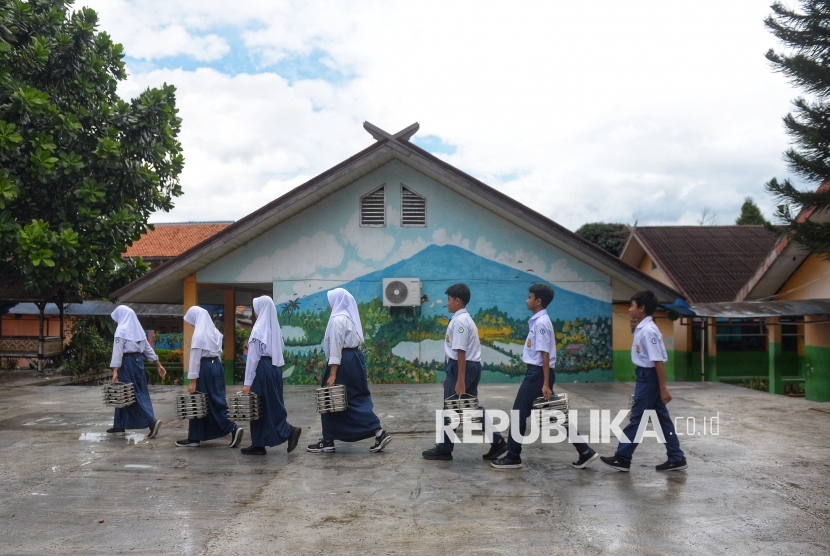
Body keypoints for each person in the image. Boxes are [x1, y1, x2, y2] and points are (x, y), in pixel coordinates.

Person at [491, 283, 598, 470]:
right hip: (537, 373)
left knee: (518, 414)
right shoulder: (539, 321)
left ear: (538, 301)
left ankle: (513, 457)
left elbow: (544, 354)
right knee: (555, 413)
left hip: (539, 374)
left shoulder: (541, 323)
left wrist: (545, 383)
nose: (527, 300)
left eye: (530, 297)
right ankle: (585, 451)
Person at [600, 290, 687, 472]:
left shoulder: (648, 331)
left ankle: (622, 458)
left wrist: (663, 387)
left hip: (649, 377)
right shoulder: (643, 328)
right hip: (645, 375)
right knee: (661, 418)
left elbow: (657, 361)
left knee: (638, 417)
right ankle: (676, 457)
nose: (629, 309)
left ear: (642, 308)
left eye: (632, 306)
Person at [422, 283, 507, 462]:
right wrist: (450, 375)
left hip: (463, 367)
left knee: (451, 408)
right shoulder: (464, 319)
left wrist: (459, 379)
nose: (447, 303)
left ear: (457, 301)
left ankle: (444, 449)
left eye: (449, 300)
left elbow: (461, 351)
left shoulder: (460, 321)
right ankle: (497, 442)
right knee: (469, 407)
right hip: (467, 366)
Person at [307, 288, 392, 453]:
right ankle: (329, 438)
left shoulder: (338, 320)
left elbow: (336, 347)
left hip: (343, 362)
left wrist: (333, 373)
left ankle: (378, 432)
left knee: (333, 398)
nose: (329, 305)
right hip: (353, 360)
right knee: (351, 397)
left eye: (331, 301)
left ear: (337, 301)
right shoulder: (348, 318)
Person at [240, 296, 302, 456]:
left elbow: (253, 358)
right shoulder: (274, 329)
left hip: (263, 368)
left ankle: (288, 431)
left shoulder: (258, 330)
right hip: (275, 368)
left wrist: (247, 382)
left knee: (260, 405)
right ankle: (259, 443)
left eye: (255, 308)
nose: (254, 312)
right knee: (270, 403)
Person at [175, 306, 244, 448]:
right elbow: (219, 352)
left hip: (205, 367)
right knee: (215, 399)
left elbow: (195, 359)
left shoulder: (199, 334)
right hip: (216, 365)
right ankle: (195, 437)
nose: (191, 325)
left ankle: (231, 427)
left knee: (200, 400)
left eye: (191, 321)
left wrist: (192, 380)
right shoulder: (215, 332)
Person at [108, 306, 166, 438]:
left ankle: (151, 422)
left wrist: (115, 371)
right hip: (138, 363)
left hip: (127, 363)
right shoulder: (139, 330)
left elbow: (118, 352)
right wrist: (158, 365)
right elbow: (148, 350)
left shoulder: (121, 330)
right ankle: (119, 425)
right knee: (131, 392)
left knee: (129, 394)